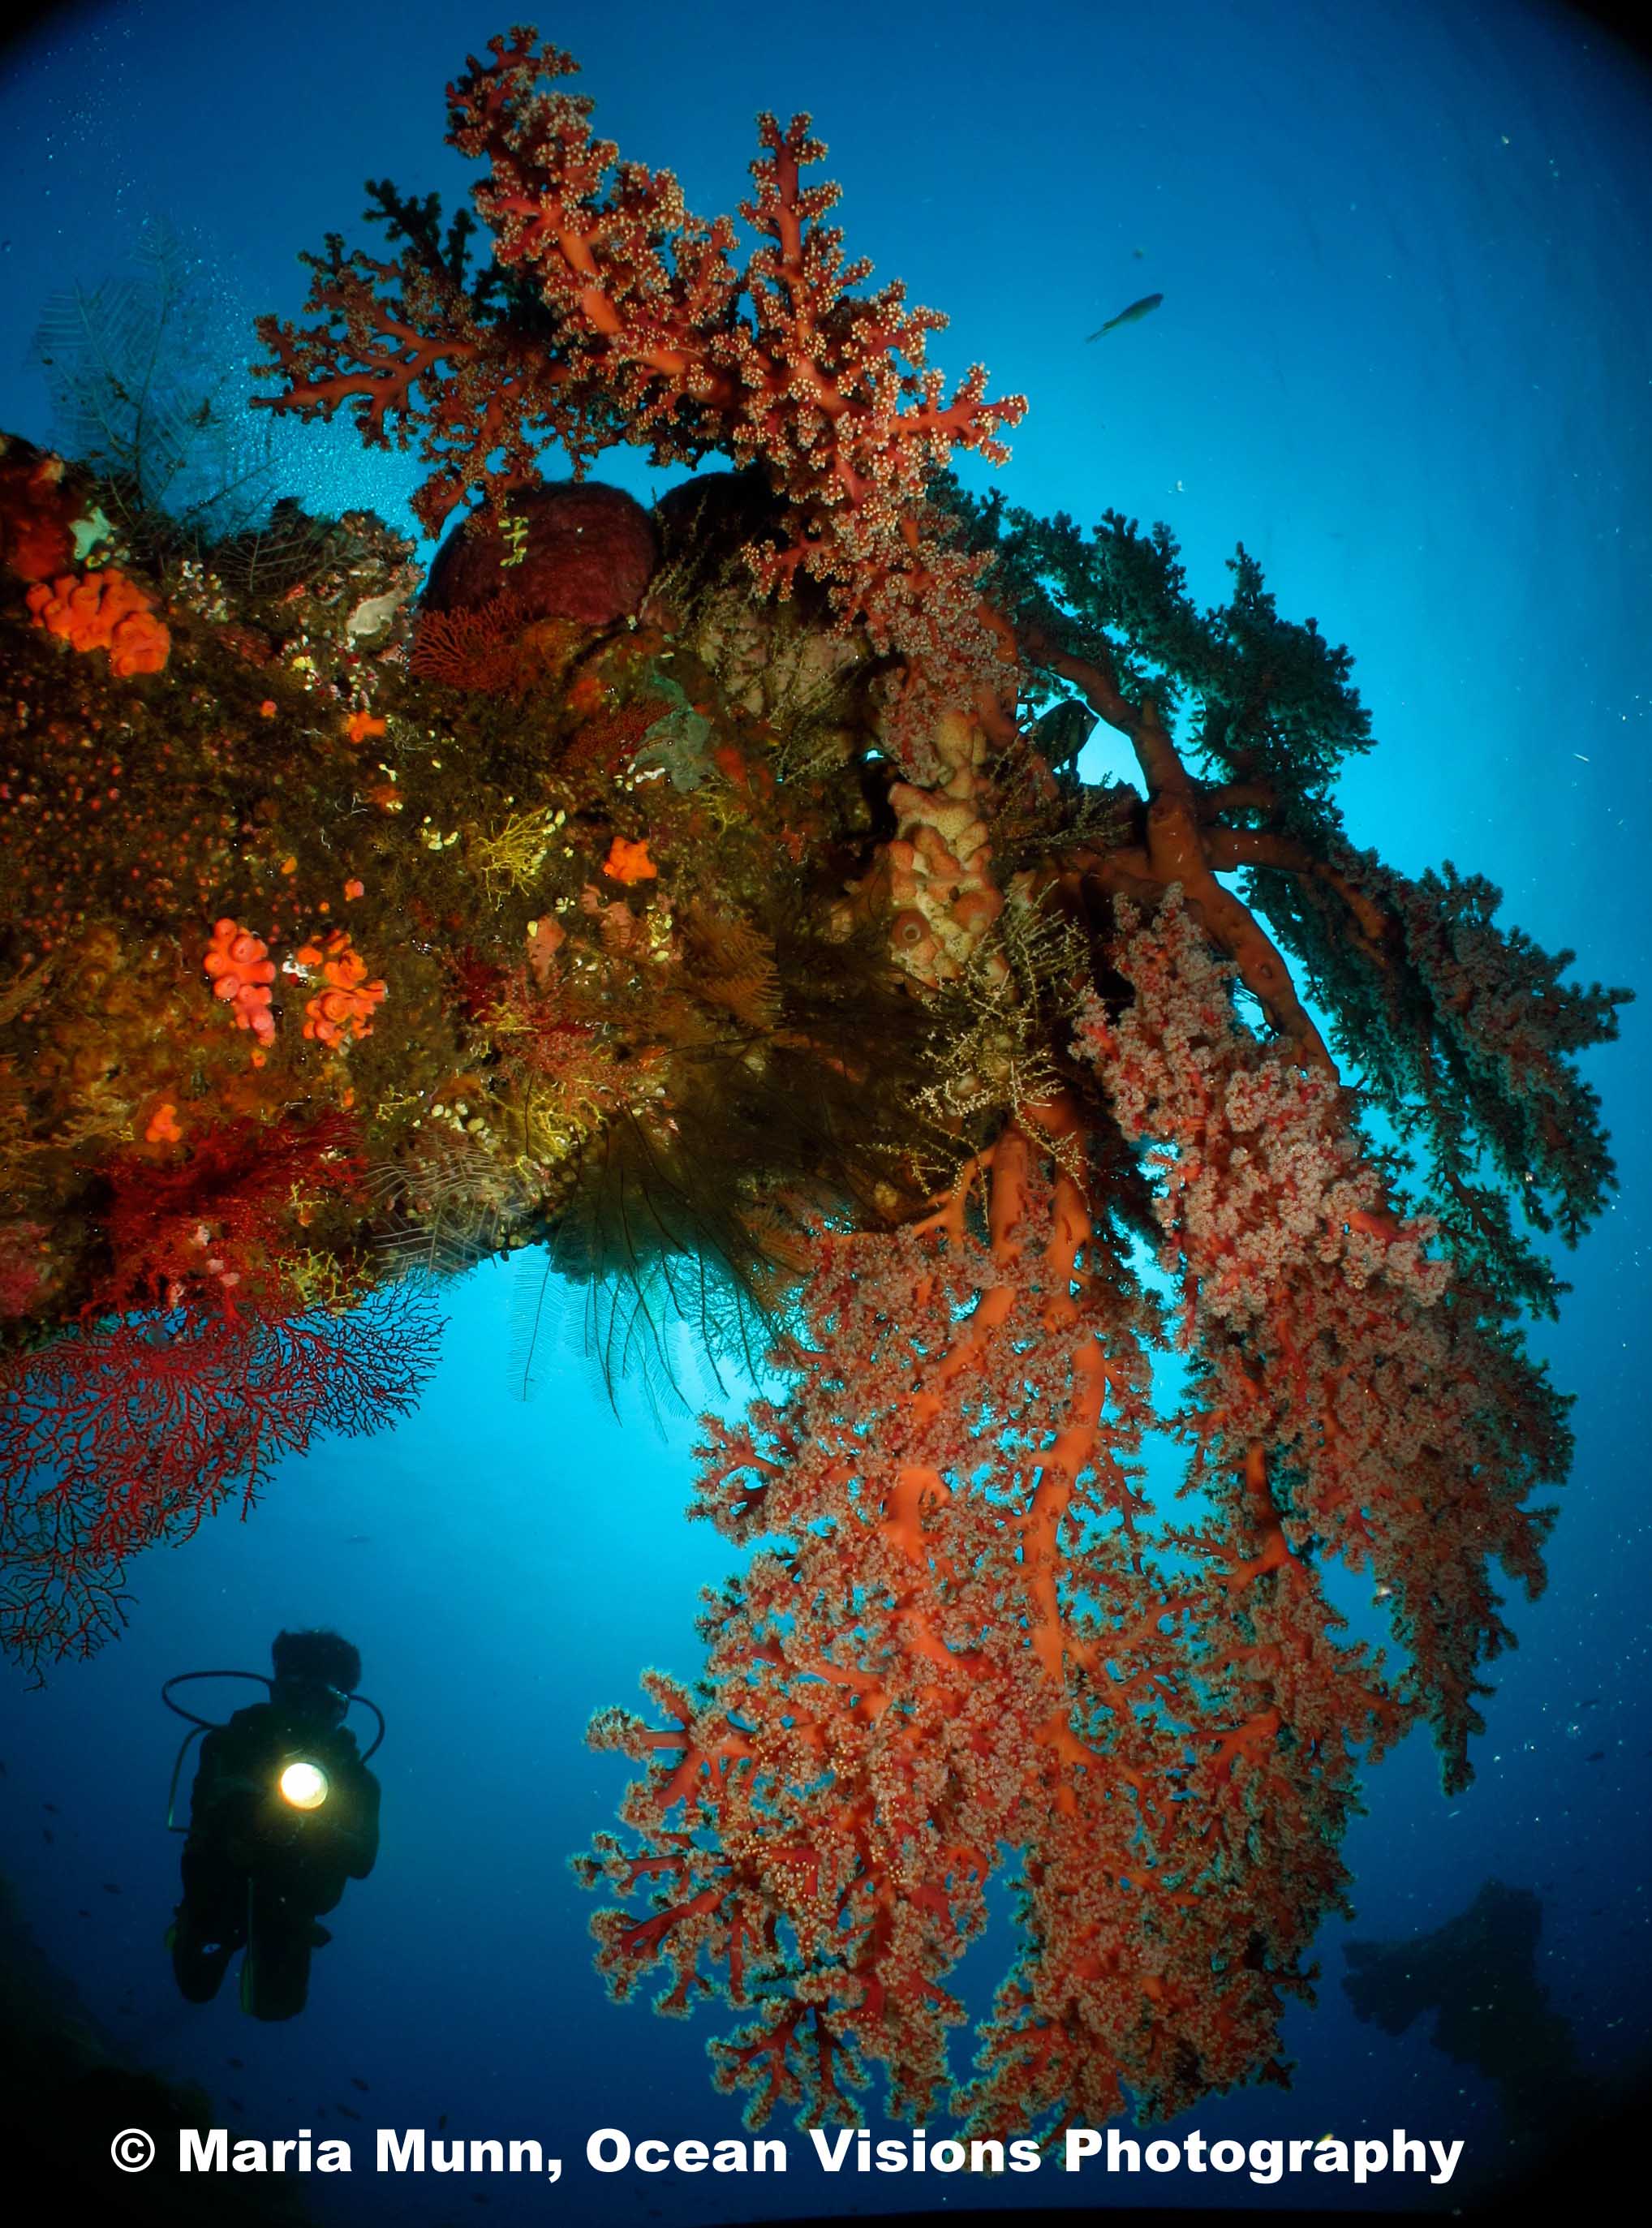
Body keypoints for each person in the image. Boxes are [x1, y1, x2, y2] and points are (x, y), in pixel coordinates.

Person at [168, 1629, 381, 2019]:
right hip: (219, 1885)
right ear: (276, 1690)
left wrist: (301, 1830)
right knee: (194, 1987)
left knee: (277, 2008)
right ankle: (194, 1930)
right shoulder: (228, 1743)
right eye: (295, 1696)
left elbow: (363, 1859)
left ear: (342, 1707)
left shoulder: (360, 1783)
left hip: (291, 1906)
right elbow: (207, 1805)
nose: (305, 1714)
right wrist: (251, 1808)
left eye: (322, 1702)